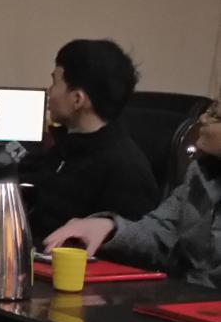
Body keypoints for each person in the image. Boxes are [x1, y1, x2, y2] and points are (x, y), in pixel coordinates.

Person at [45, 99, 221, 289]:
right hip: (185, 296)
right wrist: (110, 228)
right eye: (208, 111)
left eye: (215, 116)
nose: (202, 119)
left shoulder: (123, 161)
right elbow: (161, 232)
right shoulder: (201, 173)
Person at [21, 39, 158, 243]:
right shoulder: (66, 148)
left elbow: (127, 249)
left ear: (77, 99)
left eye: (55, 83)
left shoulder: (126, 170)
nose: (49, 92)